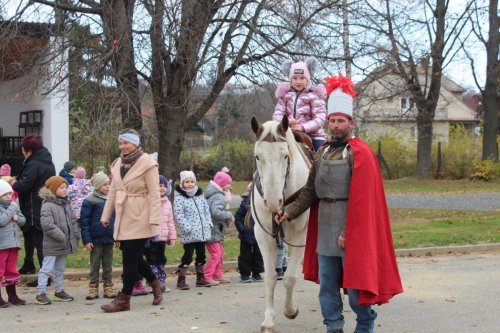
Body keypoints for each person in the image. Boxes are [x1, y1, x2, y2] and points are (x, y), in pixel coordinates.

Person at [276, 73, 403, 333]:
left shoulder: (361, 153)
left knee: (356, 288)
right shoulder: (322, 152)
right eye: (332, 120)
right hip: (325, 228)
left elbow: (363, 201)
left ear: (350, 122)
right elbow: (310, 191)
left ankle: (365, 324)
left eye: (340, 120)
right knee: (328, 286)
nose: (335, 125)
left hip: (353, 232)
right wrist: (288, 212)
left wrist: (348, 231)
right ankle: (333, 327)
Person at [100, 129, 164, 312]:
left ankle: (124, 298)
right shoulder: (118, 163)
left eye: (125, 143)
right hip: (123, 215)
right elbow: (113, 191)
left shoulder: (148, 164)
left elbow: (154, 194)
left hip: (141, 215)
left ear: (135, 143)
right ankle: (155, 283)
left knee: (129, 259)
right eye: (120, 143)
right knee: (134, 258)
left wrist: (154, 219)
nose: (122, 147)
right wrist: (105, 216)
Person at [10, 135, 56, 281]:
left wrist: (13, 183)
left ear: (28, 150)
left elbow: (24, 186)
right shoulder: (47, 162)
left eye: (23, 150)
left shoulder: (33, 164)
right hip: (42, 204)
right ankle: (28, 264)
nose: (23, 153)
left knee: (39, 241)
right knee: (29, 237)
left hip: (33, 208)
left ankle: (45, 275)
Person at [35, 176, 80, 305]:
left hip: (64, 243)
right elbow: (48, 225)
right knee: (47, 269)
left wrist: (76, 233)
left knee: (60, 269)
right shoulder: (47, 205)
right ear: (54, 189)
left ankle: (59, 291)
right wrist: (61, 236)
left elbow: (73, 220)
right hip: (53, 244)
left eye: (66, 187)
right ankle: (40, 293)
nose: (65, 190)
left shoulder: (66, 204)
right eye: (61, 187)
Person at [273, 57, 327, 151]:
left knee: (320, 157)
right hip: (288, 132)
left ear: (307, 79)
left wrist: (302, 127)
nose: (298, 81)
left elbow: (320, 118)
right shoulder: (284, 96)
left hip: (313, 135)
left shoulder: (314, 96)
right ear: (291, 79)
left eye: (302, 78)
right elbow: (277, 115)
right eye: (295, 78)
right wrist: (287, 121)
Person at [173, 170, 213, 290]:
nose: (190, 184)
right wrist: (186, 227)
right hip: (189, 233)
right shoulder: (179, 198)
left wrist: (208, 222)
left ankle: (200, 278)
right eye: (187, 182)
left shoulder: (200, 195)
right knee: (188, 255)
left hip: (201, 232)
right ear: (182, 183)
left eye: (192, 181)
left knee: (201, 255)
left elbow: (206, 209)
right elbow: (179, 215)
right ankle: (181, 279)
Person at [79, 172, 116, 300]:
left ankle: (108, 286)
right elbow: (84, 222)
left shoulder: (112, 200)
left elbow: (116, 219)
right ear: (97, 185)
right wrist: (86, 240)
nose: (108, 187)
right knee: (95, 264)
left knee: (108, 264)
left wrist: (117, 237)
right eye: (104, 184)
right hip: (95, 239)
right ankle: (93, 287)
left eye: (109, 184)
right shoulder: (90, 201)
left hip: (109, 238)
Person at [144, 175, 176, 292]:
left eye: (164, 186)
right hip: (151, 237)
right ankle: (152, 283)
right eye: (159, 185)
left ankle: (161, 283)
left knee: (161, 260)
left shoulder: (167, 202)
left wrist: (172, 236)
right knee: (151, 260)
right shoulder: (150, 200)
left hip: (162, 238)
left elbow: (170, 221)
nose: (162, 188)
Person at [204, 169, 235, 285]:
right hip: (213, 230)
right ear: (222, 183)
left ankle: (217, 275)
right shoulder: (218, 196)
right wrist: (229, 215)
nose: (230, 186)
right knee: (216, 253)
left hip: (215, 229)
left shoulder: (214, 194)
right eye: (228, 183)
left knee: (220, 252)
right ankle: (207, 276)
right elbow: (216, 212)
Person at [0, 179, 26, 307]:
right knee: (0, 270)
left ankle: (12, 296)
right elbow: (2, 221)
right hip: (2, 245)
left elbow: (22, 220)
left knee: (11, 270)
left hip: (13, 244)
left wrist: (17, 218)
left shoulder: (14, 205)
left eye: (10, 193)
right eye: (5, 194)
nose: (9, 197)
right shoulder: (10, 207)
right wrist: (11, 210)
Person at [234, 182, 264, 283]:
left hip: (259, 235)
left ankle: (257, 273)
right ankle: (245, 274)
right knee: (245, 255)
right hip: (246, 234)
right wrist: (242, 230)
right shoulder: (245, 204)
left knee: (258, 255)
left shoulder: (263, 204)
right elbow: (237, 217)